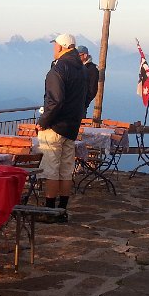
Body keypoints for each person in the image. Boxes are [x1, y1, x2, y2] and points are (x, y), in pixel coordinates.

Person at [36, 33, 88, 222]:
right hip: (72, 127)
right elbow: (84, 98)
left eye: (55, 45)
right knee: (66, 170)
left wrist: (43, 122)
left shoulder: (58, 69)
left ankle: (49, 212)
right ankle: (62, 211)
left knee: (51, 169)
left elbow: (55, 101)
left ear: (61, 47)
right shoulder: (82, 69)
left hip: (55, 126)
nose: (53, 48)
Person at [78, 45, 99, 111]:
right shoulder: (77, 67)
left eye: (79, 55)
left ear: (85, 55)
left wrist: (84, 103)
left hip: (81, 106)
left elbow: (92, 89)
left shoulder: (92, 69)